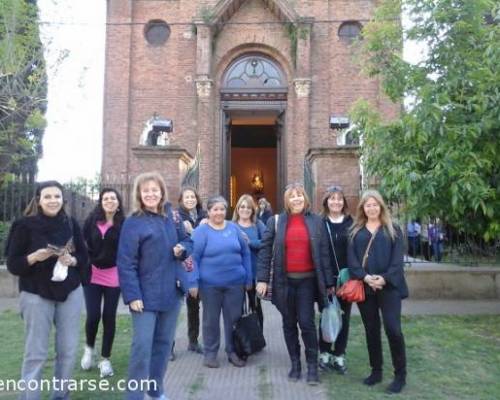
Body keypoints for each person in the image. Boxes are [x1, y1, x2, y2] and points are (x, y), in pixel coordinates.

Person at [5, 180, 88, 399]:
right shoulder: (24, 225)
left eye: (57, 196)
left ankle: (60, 396)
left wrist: (72, 260)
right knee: (36, 354)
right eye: (48, 197)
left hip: (69, 292)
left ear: (63, 200)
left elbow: (84, 258)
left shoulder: (71, 223)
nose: (53, 201)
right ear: (39, 200)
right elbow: (13, 264)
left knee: (68, 351)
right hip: (35, 293)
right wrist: (33, 257)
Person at [117, 172, 193, 400]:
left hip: (171, 291)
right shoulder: (133, 223)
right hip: (144, 296)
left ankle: (155, 390)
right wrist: (132, 295)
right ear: (139, 194)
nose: (151, 194)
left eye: (154, 190)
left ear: (161, 192)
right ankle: (134, 396)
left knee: (162, 345)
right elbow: (125, 263)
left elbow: (188, 240)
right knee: (142, 348)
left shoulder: (173, 216)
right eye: (146, 190)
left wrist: (182, 248)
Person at [256, 183, 334, 385]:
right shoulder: (276, 222)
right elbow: (265, 250)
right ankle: (295, 364)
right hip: (284, 282)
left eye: (300, 195)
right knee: (289, 323)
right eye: (292, 196)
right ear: (286, 201)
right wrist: (262, 279)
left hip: (307, 282)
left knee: (307, 323)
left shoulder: (316, 221)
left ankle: (312, 367)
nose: (296, 199)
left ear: (305, 198)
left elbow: (324, 253)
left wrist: (328, 282)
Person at [347, 189, 408, 394]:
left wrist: (384, 278)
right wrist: (365, 277)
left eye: (375, 204)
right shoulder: (356, 232)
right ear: (363, 208)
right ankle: (376, 371)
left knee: (393, 329)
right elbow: (352, 261)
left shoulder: (393, 229)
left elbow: (397, 261)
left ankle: (400, 375)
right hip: (366, 287)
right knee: (371, 330)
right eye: (367, 205)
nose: (371, 208)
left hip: (388, 287)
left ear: (380, 206)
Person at [189, 195, 252, 368]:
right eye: (215, 209)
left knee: (233, 319)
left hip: (235, 283)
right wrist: (193, 282)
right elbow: (192, 258)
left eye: (222, 209)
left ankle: (232, 351)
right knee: (211, 320)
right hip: (209, 286)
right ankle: (210, 353)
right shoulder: (201, 232)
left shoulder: (234, 228)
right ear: (208, 212)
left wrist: (248, 277)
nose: (219, 212)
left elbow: (245, 253)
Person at [80, 188, 124, 378]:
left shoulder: (124, 224)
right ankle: (89, 349)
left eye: (113, 198)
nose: (109, 201)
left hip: (114, 275)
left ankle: (105, 359)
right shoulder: (91, 221)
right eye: (105, 198)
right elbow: (80, 243)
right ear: (101, 202)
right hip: (93, 274)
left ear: (118, 202)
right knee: (93, 315)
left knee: (109, 317)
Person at [317, 185, 354, 374]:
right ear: (326, 202)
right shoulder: (320, 223)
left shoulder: (351, 223)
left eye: (339, 198)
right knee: (326, 316)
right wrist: (325, 281)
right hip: (325, 279)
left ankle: (339, 354)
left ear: (344, 202)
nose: (336, 202)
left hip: (346, 280)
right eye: (332, 198)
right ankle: (324, 352)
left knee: (343, 318)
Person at [176, 186, 207, 355]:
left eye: (192, 197)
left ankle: (193, 341)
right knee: (173, 308)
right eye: (186, 197)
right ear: (181, 200)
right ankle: (169, 347)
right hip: (182, 266)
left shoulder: (204, 216)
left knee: (194, 306)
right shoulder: (176, 217)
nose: (190, 200)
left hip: (200, 267)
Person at [232, 194, 267, 328]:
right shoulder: (231, 225)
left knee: (255, 306)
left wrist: (250, 242)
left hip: (254, 274)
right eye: (242, 206)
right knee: (237, 308)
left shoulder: (258, 224)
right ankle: (240, 338)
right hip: (235, 274)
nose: (245, 209)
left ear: (253, 210)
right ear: (238, 209)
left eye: (248, 207)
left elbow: (267, 242)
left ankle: (258, 337)